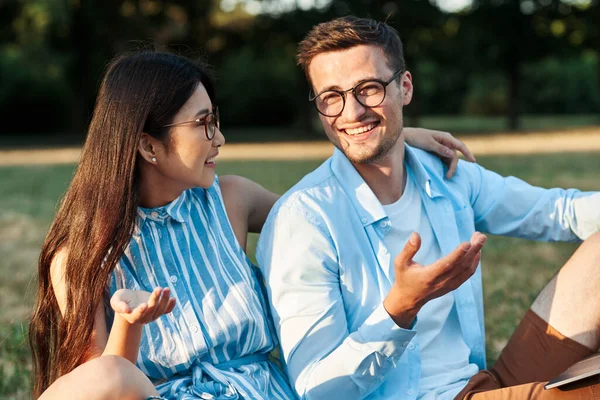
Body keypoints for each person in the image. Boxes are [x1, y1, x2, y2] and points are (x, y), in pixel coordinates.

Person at [29, 50, 473, 400]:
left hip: (264, 393)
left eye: (215, 120)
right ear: (148, 145)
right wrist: (130, 322)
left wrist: (388, 139)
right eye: (203, 124)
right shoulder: (80, 258)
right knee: (105, 374)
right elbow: (107, 387)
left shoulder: (231, 200)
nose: (219, 138)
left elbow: (327, 211)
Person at [257, 16, 600, 400]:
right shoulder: (303, 220)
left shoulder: (446, 174)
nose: (351, 113)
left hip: (483, 382)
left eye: (368, 89)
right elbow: (316, 390)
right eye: (331, 97)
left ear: (404, 87)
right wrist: (400, 309)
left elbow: (559, 211)